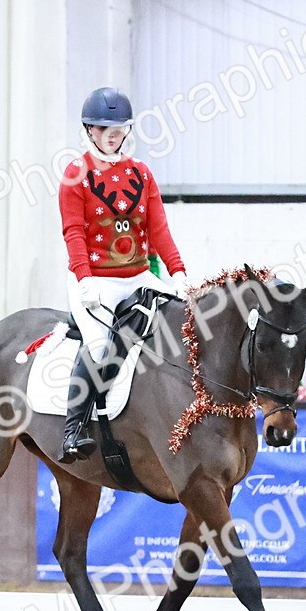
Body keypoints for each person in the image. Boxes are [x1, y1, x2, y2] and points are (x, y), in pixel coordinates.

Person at [56, 86, 190, 463]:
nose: (114, 134)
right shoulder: (74, 175)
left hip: (138, 276)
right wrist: (83, 279)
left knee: (188, 321)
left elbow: (158, 228)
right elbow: (74, 232)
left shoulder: (141, 174)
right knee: (99, 346)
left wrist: (177, 273)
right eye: (105, 127)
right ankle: (74, 429)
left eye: (120, 127)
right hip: (95, 280)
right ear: (89, 130)